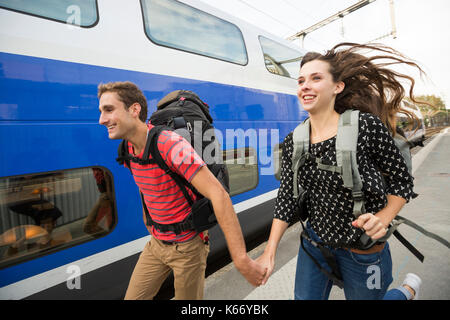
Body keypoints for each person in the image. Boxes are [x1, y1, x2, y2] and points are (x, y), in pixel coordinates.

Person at [257, 42, 427, 300]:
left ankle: (405, 292)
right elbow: (287, 196)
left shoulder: (366, 127)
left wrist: (383, 216)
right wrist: (270, 250)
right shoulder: (295, 139)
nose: (305, 85)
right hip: (315, 244)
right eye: (301, 80)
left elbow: (401, 182)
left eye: (316, 78)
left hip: (362, 250)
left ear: (337, 87)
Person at [98, 81, 266, 300]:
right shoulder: (127, 149)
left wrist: (241, 259)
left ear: (134, 109)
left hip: (187, 248)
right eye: (101, 111)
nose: (102, 119)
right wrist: (149, 221)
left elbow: (219, 194)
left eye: (109, 110)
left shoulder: (169, 144)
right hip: (156, 245)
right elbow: (146, 188)